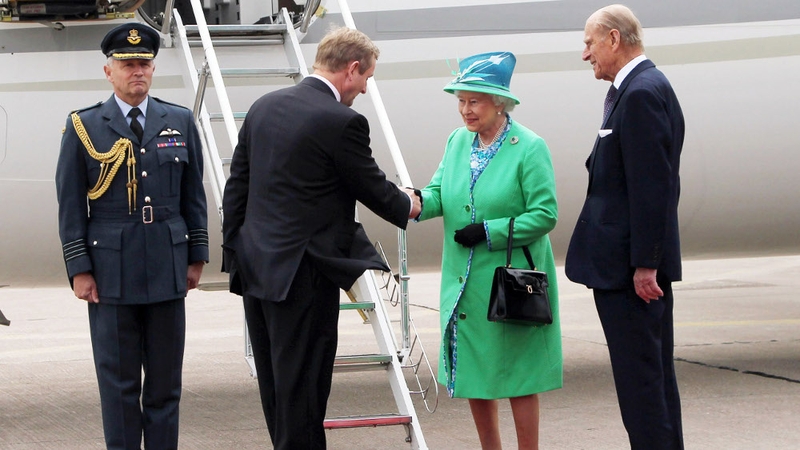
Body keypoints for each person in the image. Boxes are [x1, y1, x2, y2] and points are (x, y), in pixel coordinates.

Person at [221, 27, 421, 449]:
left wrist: (236, 255)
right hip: (304, 276)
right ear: (351, 69)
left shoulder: (263, 107)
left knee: (277, 390)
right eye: (366, 77)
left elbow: (237, 186)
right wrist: (410, 204)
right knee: (306, 392)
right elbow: (371, 187)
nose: (365, 89)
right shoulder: (342, 121)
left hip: (259, 271)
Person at [55, 23, 208, 449]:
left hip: (167, 267)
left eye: (143, 64)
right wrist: (79, 269)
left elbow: (193, 194)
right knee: (119, 387)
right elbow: (70, 206)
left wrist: (196, 257)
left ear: (153, 69)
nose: (136, 71)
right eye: (126, 64)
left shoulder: (178, 119)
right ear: (109, 71)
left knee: (164, 386)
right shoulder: (84, 126)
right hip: (110, 275)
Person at [415, 51, 562, 450]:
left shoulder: (529, 146)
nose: (465, 110)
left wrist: (490, 230)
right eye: (460, 101)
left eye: (473, 101)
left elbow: (546, 214)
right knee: (476, 375)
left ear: (500, 102)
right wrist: (411, 201)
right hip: (467, 283)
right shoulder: (457, 141)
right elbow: (437, 194)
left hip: (509, 279)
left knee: (518, 377)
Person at [565, 4, 685, 449]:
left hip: (631, 276)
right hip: (629, 270)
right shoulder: (641, 87)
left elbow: (653, 187)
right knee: (651, 383)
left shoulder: (639, 93)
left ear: (614, 39)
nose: (585, 54)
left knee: (642, 388)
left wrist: (645, 264)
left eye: (589, 43)